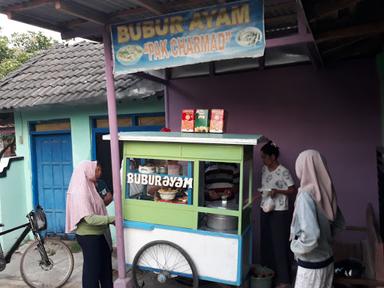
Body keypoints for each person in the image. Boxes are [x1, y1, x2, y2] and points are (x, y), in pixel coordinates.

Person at [291, 150, 345, 288]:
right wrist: (326, 240)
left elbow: (311, 236)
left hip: (311, 266)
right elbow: (339, 224)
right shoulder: (327, 191)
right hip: (327, 261)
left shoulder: (305, 196)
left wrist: (294, 247)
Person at [65, 160, 115, 288]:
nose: (99, 172)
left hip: (98, 234)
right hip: (89, 237)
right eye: (96, 169)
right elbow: (90, 219)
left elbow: (103, 203)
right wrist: (112, 219)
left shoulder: (90, 186)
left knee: (105, 267)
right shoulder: (81, 191)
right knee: (92, 272)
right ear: (88, 171)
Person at [259, 141, 296, 288]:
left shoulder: (283, 171)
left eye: (264, 157)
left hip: (280, 212)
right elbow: (264, 187)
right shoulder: (264, 169)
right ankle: (269, 274)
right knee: (266, 242)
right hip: (265, 208)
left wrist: (277, 191)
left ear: (273, 157)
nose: (262, 160)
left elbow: (293, 189)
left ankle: (285, 280)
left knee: (280, 244)